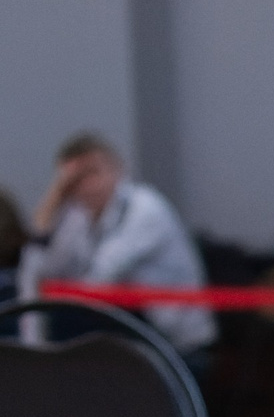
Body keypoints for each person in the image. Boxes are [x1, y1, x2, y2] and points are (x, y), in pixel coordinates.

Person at [17, 133, 215, 365]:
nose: (87, 186)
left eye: (93, 173)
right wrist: (50, 208)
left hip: (177, 347)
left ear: (118, 169)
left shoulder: (146, 208)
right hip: (126, 339)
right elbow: (40, 273)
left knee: (68, 326)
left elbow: (98, 282)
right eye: (75, 179)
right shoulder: (78, 216)